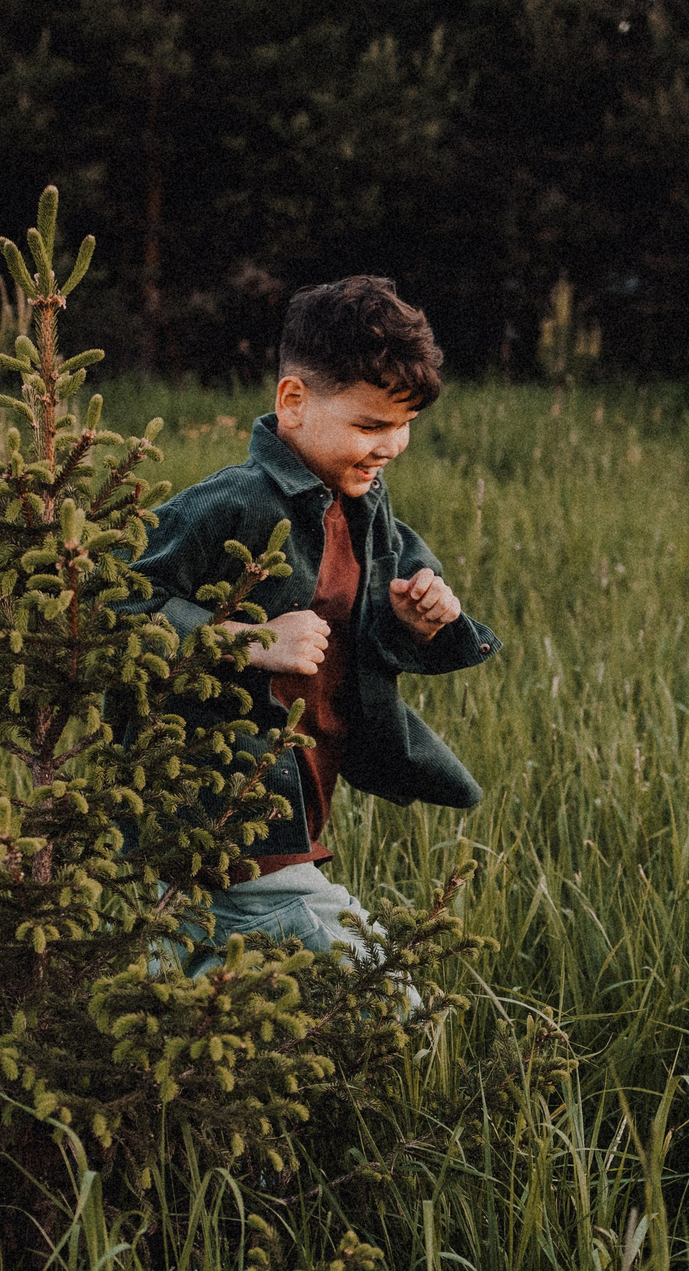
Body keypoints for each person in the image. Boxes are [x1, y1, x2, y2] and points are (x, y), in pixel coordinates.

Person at [126, 276, 499, 962]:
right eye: (371, 424)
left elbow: (372, 623)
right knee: (383, 991)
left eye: (405, 424)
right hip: (229, 819)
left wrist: (425, 619)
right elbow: (115, 606)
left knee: (182, 987)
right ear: (293, 402)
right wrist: (251, 640)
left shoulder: (365, 508)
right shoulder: (231, 504)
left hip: (286, 811)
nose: (392, 444)